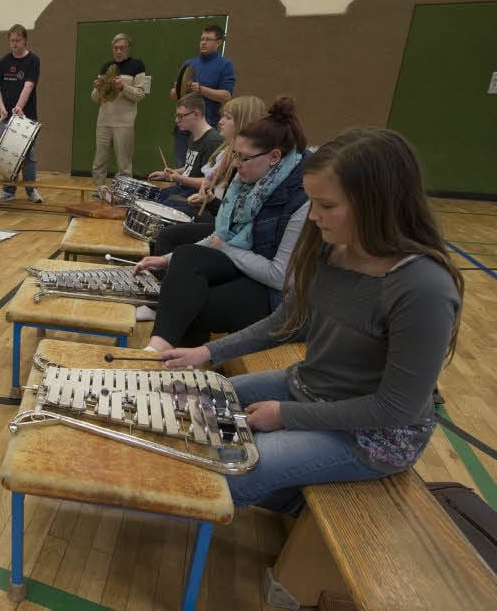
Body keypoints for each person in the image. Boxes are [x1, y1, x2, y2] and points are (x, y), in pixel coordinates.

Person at [156, 128, 463, 514]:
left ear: (378, 203)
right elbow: (285, 320)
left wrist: (286, 416)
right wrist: (205, 352)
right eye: (311, 202)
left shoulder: (424, 288)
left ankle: (295, 502)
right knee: (197, 400)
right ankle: (291, 494)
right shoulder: (331, 246)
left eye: (327, 205)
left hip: (375, 436)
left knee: (238, 465)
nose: (313, 216)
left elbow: (395, 409)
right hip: (312, 388)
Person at [133, 97, 310, 343]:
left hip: (276, 297)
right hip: (247, 269)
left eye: (243, 158)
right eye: (236, 155)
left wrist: (226, 247)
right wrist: (165, 260)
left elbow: (279, 276)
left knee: (190, 302)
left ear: (274, 157)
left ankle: (168, 357)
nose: (236, 165)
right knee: (184, 259)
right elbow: (221, 235)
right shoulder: (249, 184)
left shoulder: (301, 199)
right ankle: (165, 354)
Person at [169, 95, 267, 221]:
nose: (220, 121)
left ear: (243, 122)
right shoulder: (226, 150)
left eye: (228, 117)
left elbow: (233, 212)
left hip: (219, 217)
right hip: (214, 208)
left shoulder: (219, 145)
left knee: (170, 217)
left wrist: (180, 179)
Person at [170, 25, 236, 168]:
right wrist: (182, 88)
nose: (203, 42)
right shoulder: (189, 64)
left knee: (202, 168)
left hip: (207, 127)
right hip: (183, 126)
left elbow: (226, 96)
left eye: (208, 39)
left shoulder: (225, 65)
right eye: (202, 39)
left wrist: (201, 89)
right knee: (182, 166)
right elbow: (173, 94)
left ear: (218, 43)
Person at [0, 24, 42, 203]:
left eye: (18, 40)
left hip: (26, 117)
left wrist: (19, 107)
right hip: (5, 118)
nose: (14, 44)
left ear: (25, 39)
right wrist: (1, 107)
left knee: (28, 155)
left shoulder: (33, 60)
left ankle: (31, 190)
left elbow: (28, 86)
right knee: (7, 154)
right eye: (11, 41)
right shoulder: (3, 62)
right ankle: (8, 191)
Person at [90, 33, 146, 190]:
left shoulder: (137, 65)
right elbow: (95, 99)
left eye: (122, 48)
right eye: (116, 48)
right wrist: (97, 89)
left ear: (128, 49)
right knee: (99, 161)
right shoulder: (106, 67)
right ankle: (98, 190)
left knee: (124, 163)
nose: (118, 51)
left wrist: (123, 87)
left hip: (124, 122)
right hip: (103, 121)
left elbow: (140, 94)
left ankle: (123, 194)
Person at [148, 93, 222, 200]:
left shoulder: (213, 142)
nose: (176, 120)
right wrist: (166, 175)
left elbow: (209, 182)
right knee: (150, 195)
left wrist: (179, 178)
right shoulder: (193, 136)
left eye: (181, 116)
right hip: (184, 189)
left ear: (196, 114)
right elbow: (191, 167)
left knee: (161, 203)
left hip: (196, 195)